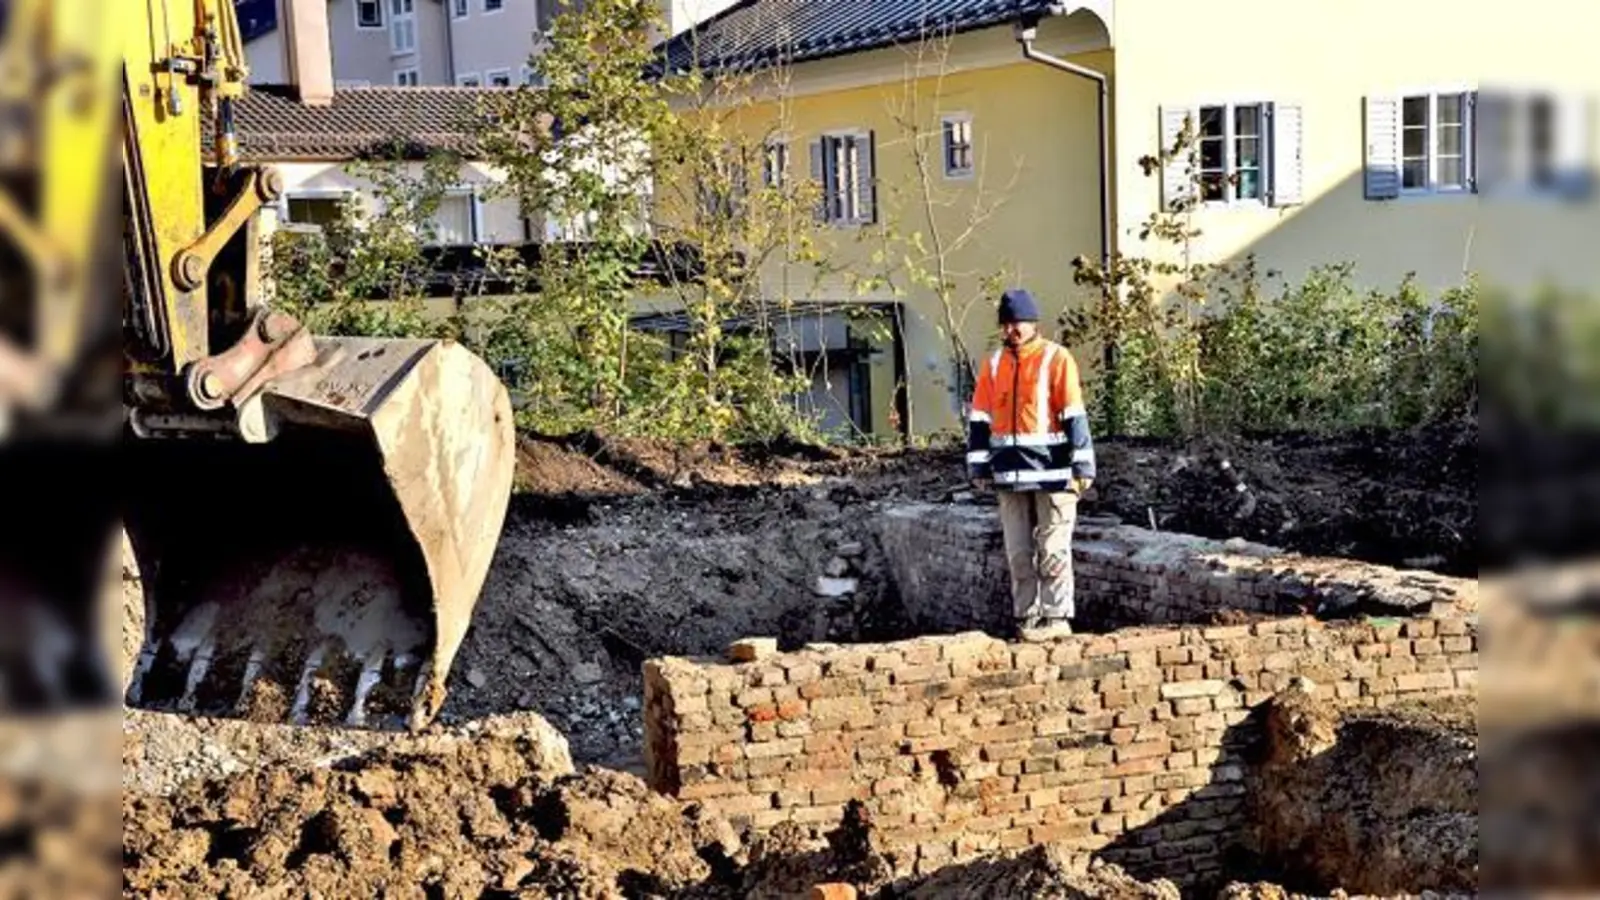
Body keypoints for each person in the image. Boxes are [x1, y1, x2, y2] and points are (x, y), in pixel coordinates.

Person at [965, 288, 1096, 640]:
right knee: (1019, 553)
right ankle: (1027, 617)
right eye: (1006, 324)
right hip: (1008, 475)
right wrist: (978, 467)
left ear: (1033, 322)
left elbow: (1074, 415)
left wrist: (1083, 468)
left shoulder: (1056, 358)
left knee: (1053, 549)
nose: (1011, 330)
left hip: (1054, 474)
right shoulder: (993, 364)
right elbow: (979, 419)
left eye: (1017, 323)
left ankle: (1057, 618)